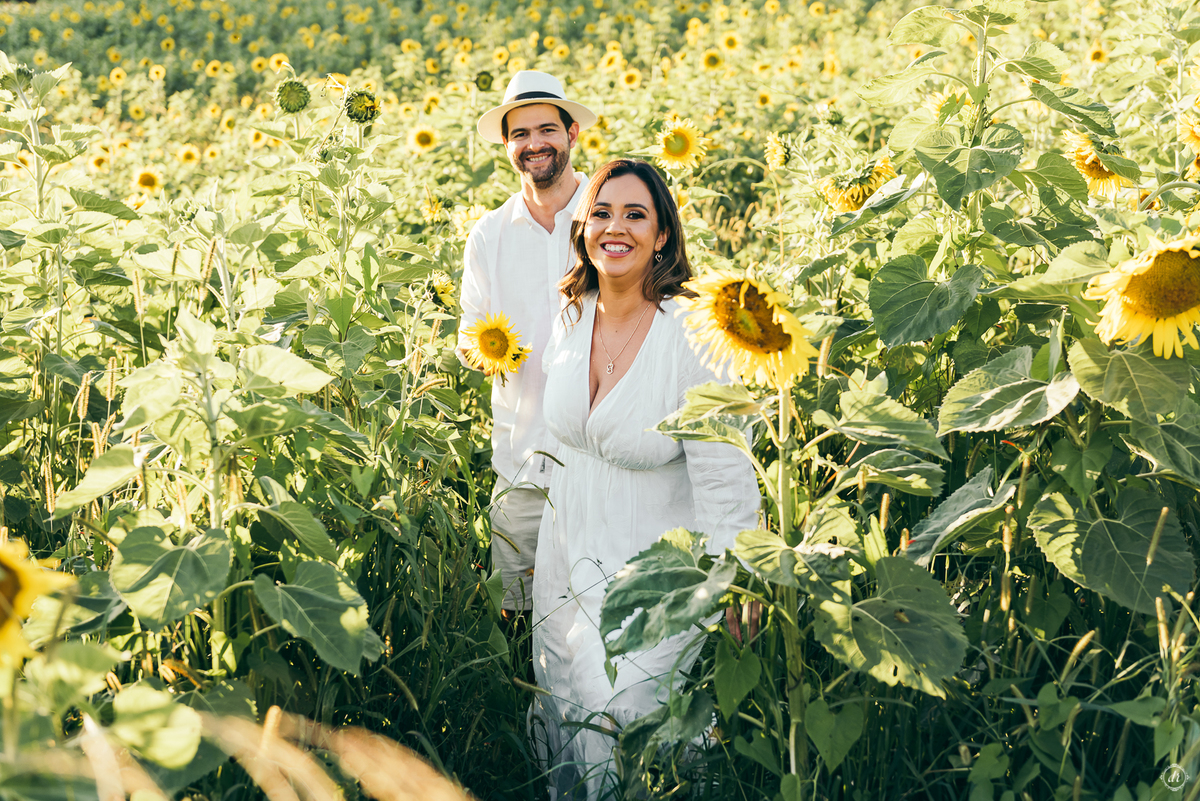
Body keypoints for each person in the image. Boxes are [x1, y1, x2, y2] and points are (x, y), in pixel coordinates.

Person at [531, 159, 762, 799]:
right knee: (564, 689)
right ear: (583, 228)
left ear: (662, 235)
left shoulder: (692, 333)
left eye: (636, 215)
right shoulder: (572, 313)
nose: (616, 228)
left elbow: (724, 470)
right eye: (602, 213)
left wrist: (736, 575)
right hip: (566, 546)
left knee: (620, 706)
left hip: (655, 563)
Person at [458, 71, 597, 618]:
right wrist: (485, 350)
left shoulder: (608, 217)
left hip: (600, 458)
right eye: (520, 134)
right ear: (506, 144)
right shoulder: (489, 234)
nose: (534, 144)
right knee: (515, 612)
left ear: (571, 134)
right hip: (521, 461)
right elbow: (470, 333)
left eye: (546, 130)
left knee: (596, 608)